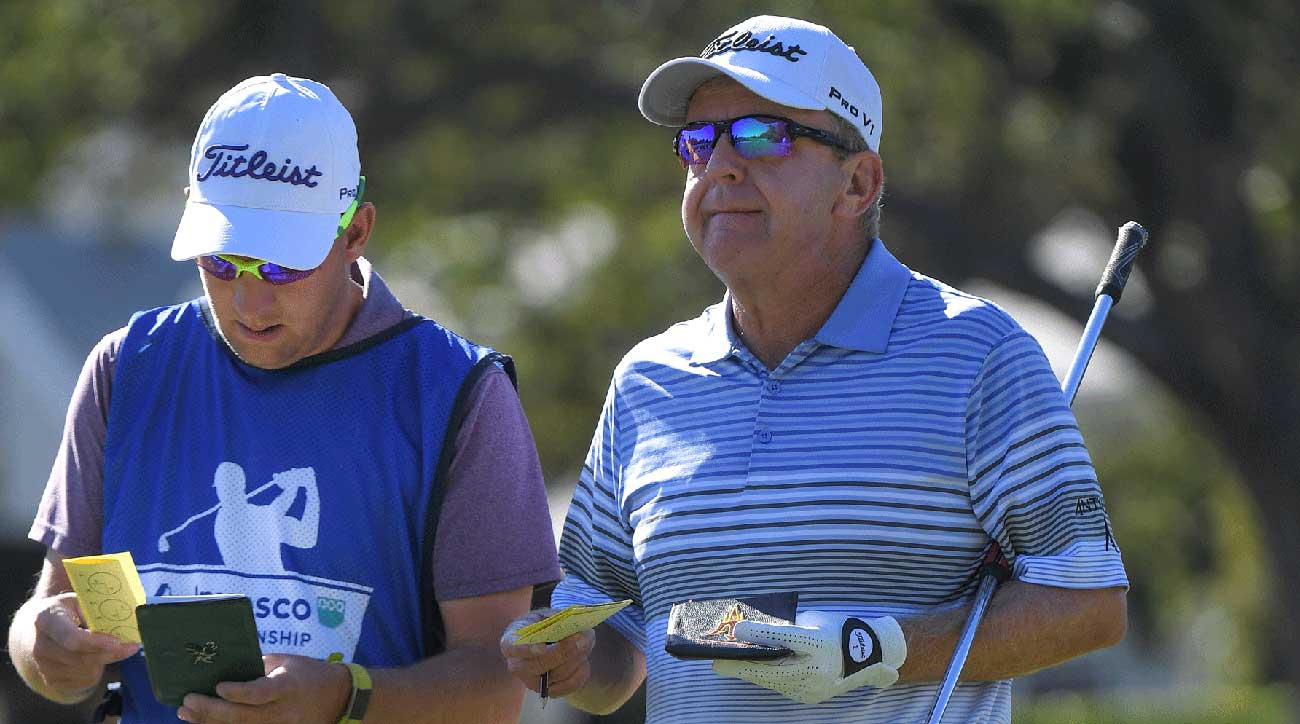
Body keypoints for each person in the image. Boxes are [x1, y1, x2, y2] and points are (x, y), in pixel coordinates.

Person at [501, 15, 1127, 724]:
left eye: (764, 136)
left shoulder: (979, 356)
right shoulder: (647, 381)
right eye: (699, 142)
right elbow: (611, 659)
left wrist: (873, 648)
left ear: (857, 182)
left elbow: (1089, 607)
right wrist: (566, 661)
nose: (721, 166)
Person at [8, 73, 561, 724]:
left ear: (355, 231)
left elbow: (497, 687)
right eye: (222, 263)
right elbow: (50, 623)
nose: (249, 302)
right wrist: (45, 644)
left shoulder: (458, 394)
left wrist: (344, 698)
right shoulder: (125, 367)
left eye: (280, 267)